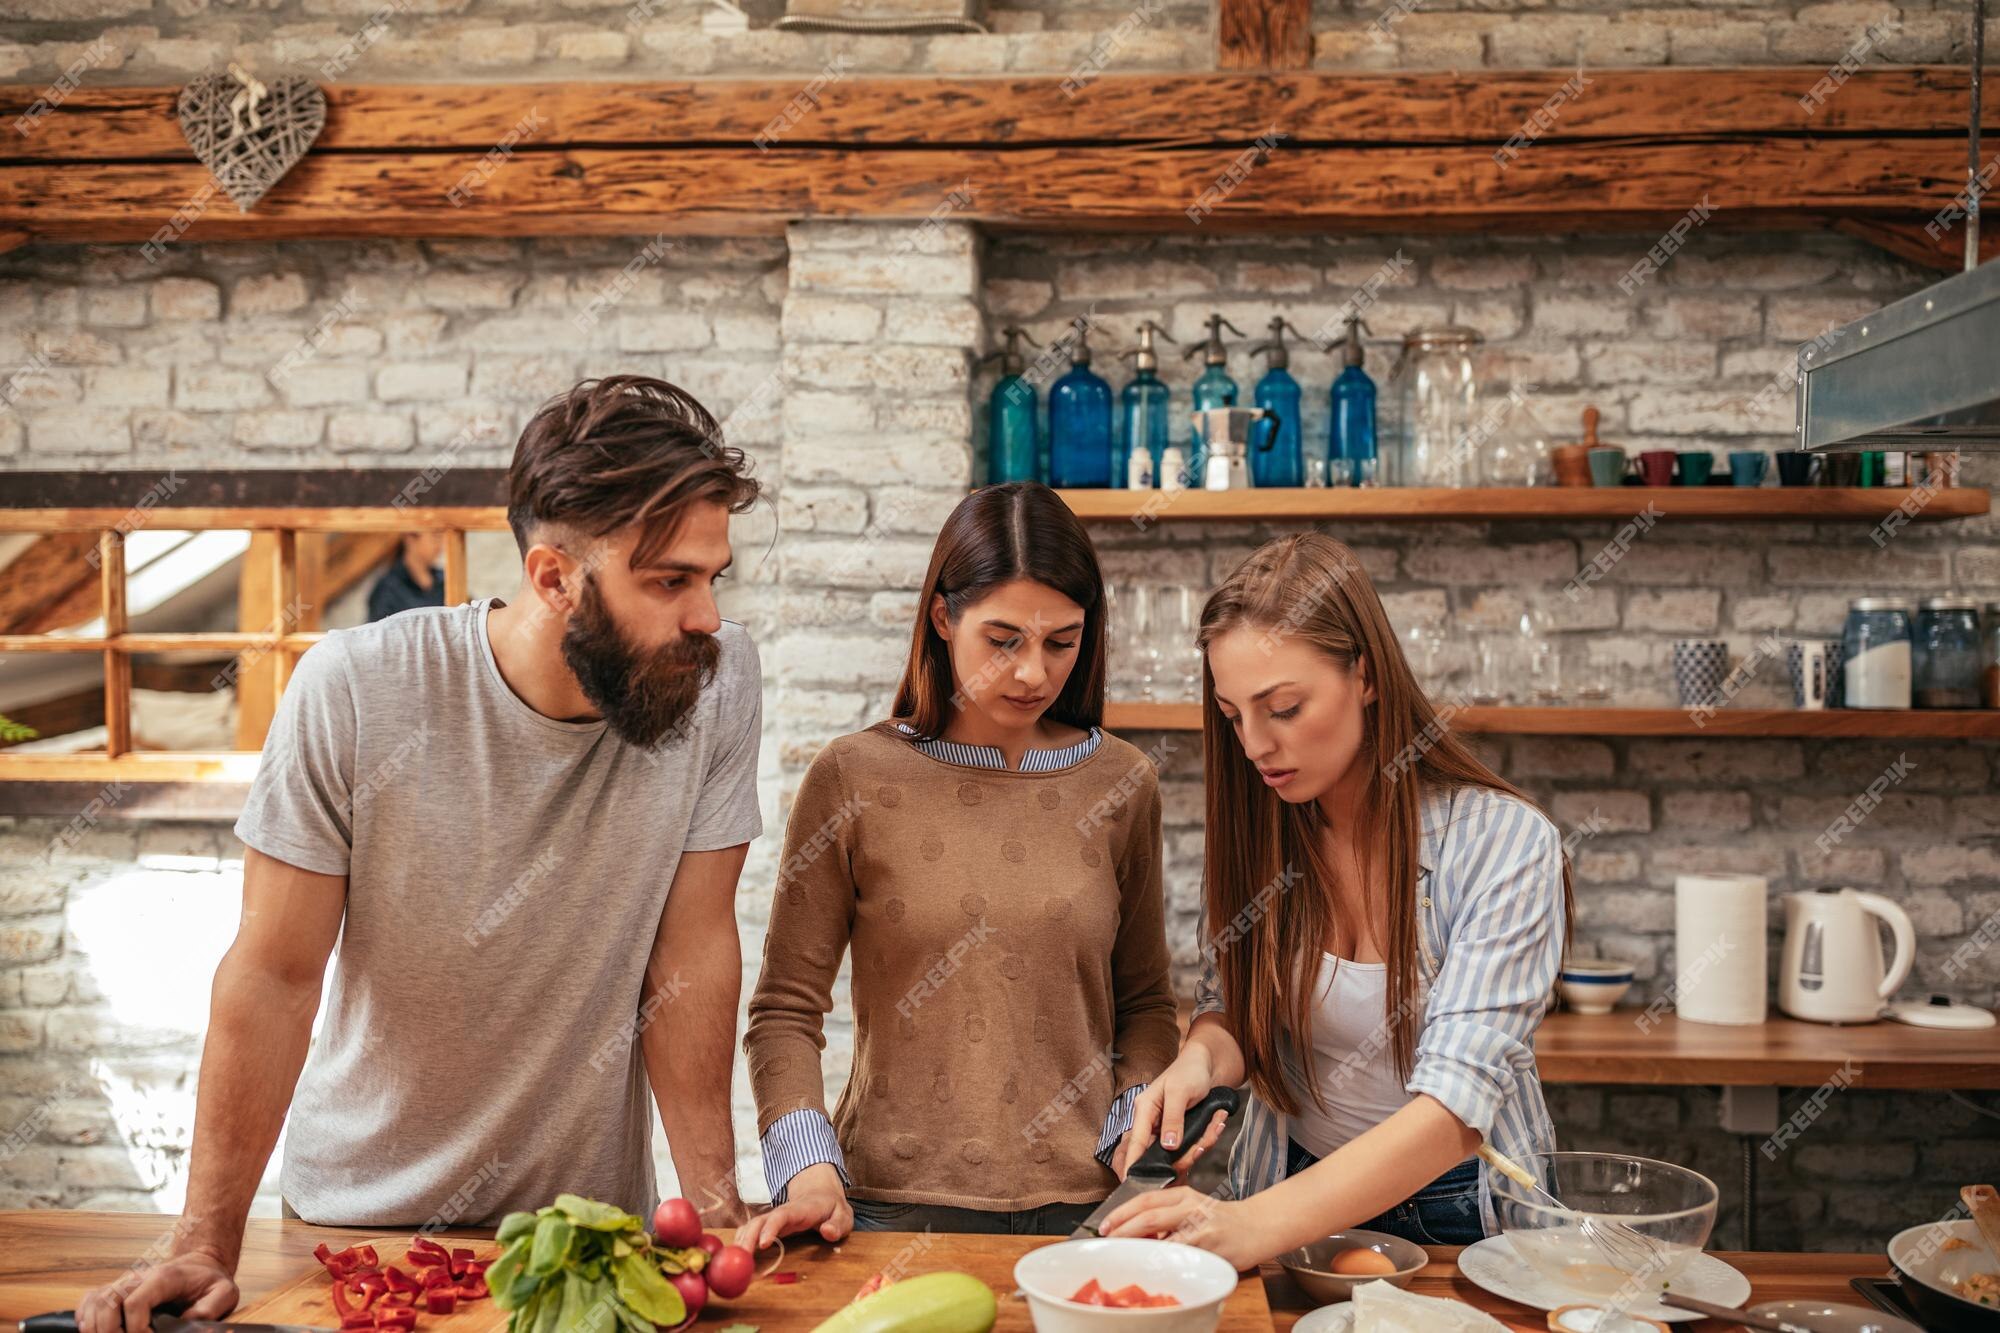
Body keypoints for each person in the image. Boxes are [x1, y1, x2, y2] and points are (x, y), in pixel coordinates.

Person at [74, 376, 765, 1333]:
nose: (709, 618)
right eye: (669, 582)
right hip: (355, 1233)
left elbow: (687, 956)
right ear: (554, 577)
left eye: (712, 575)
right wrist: (203, 1242)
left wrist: (714, 1205)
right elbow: (274, 975)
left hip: (584, 1240)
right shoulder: (355, 691)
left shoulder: (714, 686)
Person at [1101, 532, 1572, 1267]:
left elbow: (1453, 1112)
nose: (1255, 744)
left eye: (1283, 706)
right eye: (1233, 715)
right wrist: (1200, 1059)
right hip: (1294, 1192)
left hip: (1463, 1210)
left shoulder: (1504, 843)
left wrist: (1248, 1226)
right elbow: (1235, 1011)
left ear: (1367, 675)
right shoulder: (1260, 840)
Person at [736, 482, 1179, 1247]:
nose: (1033, 673)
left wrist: (1129, 1135)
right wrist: (810, 1170)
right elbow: (783, 1011)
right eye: (1003, 639)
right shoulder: (853, 777)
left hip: (1089, 1215)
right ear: (943, 618)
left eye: (1061, 641)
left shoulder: (1123, 783)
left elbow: (1146, 1006)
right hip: (883, 1209)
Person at [366, 532, 447, 622]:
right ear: (410, 539)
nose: (441, 545)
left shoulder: (446, 581)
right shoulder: (387, 588)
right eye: (436, 537)